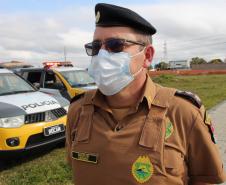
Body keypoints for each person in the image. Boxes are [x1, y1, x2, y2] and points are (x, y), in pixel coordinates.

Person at [66, 3, 226, 185]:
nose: (102, 55)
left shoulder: (183, 112)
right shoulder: (77, 111)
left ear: (147, 56)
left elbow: (205, 179)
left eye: (115, 45)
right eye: (95, 47)